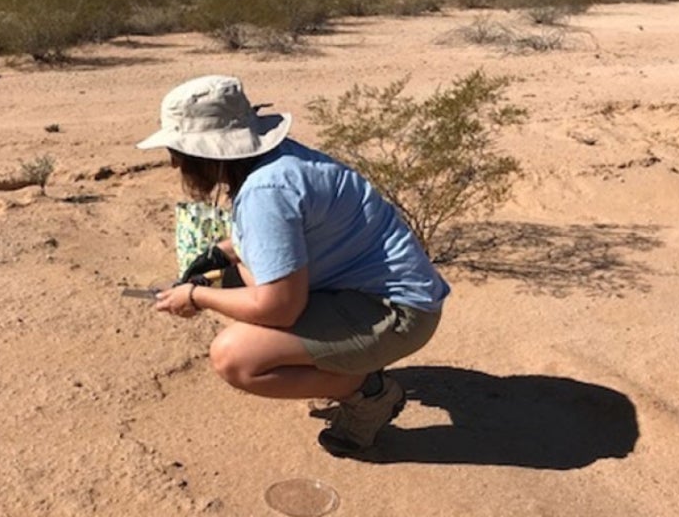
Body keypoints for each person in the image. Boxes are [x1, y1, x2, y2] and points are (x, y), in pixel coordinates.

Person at [136, 74, 450, 456]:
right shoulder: (277, 162)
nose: (173, 163)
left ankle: (367, 391)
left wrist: (196, 296)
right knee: (234, 280)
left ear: (207, 152)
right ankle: (339, 364)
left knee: (236, 357)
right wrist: (224, 252)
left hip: (399, 313)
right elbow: (282, 239)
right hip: (375, 292)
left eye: (179, 151)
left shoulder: (266, 192)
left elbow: (279, 308)